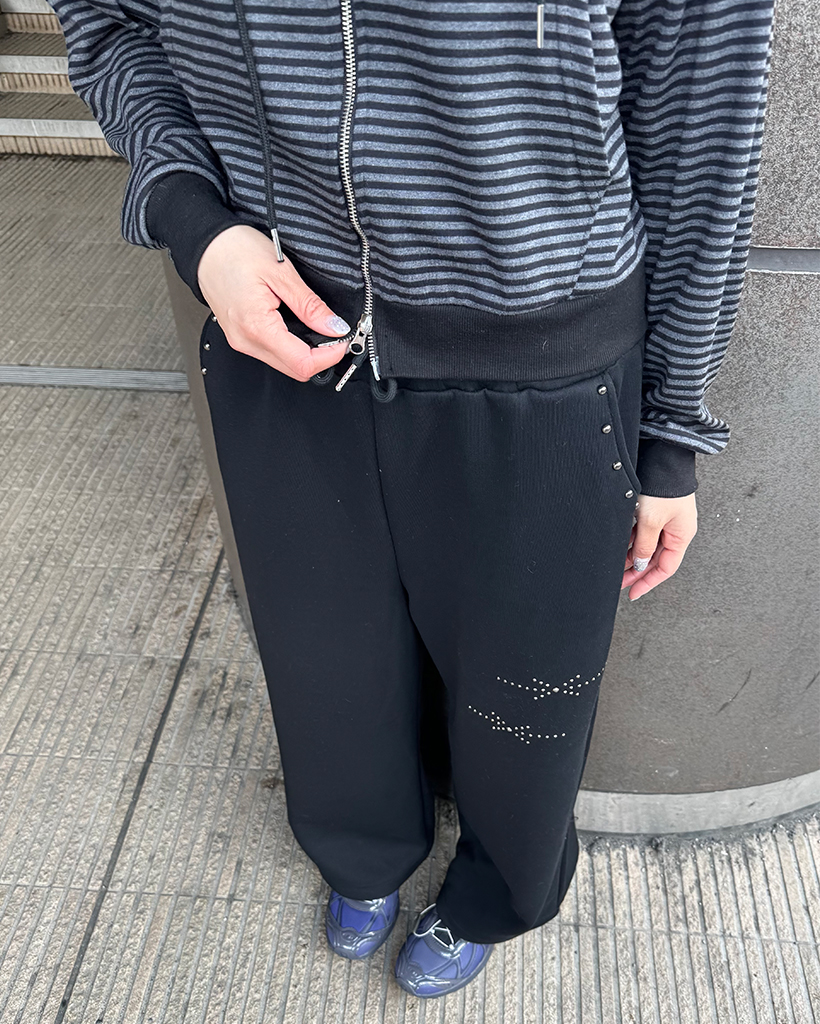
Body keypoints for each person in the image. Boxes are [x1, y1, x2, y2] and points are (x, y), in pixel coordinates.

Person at [52, 0, 775, 998]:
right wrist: (196, 223)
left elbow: (703, 134)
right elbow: (109, 21)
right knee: (322, 664)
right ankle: (359, 851)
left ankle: (495, 895)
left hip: (547, 372)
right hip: (285, 347)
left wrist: (671, 436)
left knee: (530, 701)